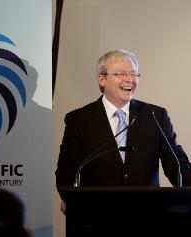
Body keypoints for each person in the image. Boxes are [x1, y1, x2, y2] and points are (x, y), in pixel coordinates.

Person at [56, 49, 191, 195]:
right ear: (102, 79)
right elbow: (67, 171)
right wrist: (70, 200)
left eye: (133, 74)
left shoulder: (155, 116)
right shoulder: (79, 120)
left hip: (147, 212)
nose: (129, 79)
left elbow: (177, 166)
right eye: (120, 74)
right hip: (96, 212)